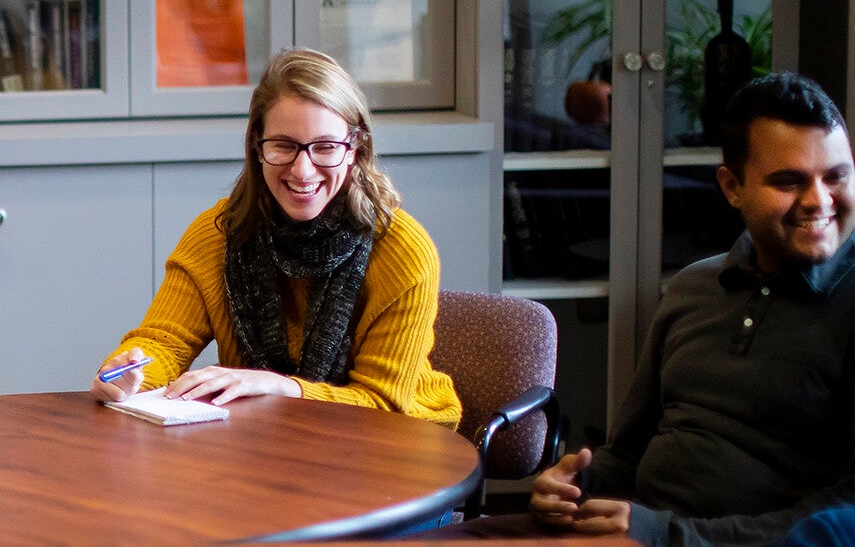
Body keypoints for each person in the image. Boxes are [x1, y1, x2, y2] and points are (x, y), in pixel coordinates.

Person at [413, 72, 855, 543]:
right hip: (622, 530)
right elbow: (625, 454)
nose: (819, 200)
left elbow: (845, 513)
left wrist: (667, 536)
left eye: (836, 176)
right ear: (732, 187)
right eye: (789, 182)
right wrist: (574, 485)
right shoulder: (693, 289)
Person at [90, 48, 462, 431]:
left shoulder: (403, 250)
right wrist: (127, 373)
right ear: (257, 145)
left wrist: (282, 388)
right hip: (272, 438)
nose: (303, 170)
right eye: (284, 144)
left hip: (400, 446)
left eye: (326, 147)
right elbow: (163, 341)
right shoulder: (218, 233)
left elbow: (382, 405)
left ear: (356, 149)